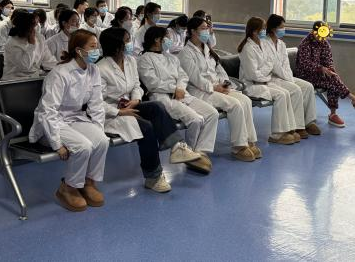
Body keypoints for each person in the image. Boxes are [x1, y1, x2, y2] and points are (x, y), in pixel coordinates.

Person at [97, 28, 200, 192]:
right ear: (116, 45)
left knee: (156, 106)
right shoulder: (101, 69)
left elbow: (136, 86)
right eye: (126, 40)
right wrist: (120, 112)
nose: (130, 43)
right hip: (111, 113)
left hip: (130, 104)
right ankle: (153, 177)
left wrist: (136, 100)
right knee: (146, 127)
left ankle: (176, 147)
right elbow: (97, 102)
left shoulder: (130, 61)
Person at [28, 30, 108, 212]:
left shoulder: (93, 70)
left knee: (102, 141)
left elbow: (96, 104)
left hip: (75, 117)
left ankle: (88, 182)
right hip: (52, 123)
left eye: (97, 46)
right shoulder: (60, 73)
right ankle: (69, 187)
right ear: (79, 50)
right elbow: (48, 110)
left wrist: (98, 130)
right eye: (93, 47)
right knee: (83, 146)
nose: (97, 51)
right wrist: (56, 143)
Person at [137, 26, 217, 174]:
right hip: (162, 97)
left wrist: (179, 88)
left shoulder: (171, 57)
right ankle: (190, 155)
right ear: (157, 39)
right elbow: (152, 83)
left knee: (212, 113)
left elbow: (183, 76)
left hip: (181, 93)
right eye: (167, 37)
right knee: (196, 120)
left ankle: (200, 151)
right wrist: (174, 89)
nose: (169, 40)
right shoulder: (144, 59)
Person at [180, 17, 260, 162]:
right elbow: (195, 77)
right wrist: (214, 87)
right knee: (235, 105)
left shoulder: (207, 49)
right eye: (203, 28)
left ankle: (249, 140)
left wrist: (224, 83)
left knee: (246, 101)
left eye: (207, 28)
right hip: (201, 91)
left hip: (217, 88)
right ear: (193, 31)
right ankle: (239, 146)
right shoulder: (186, 53)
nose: (207, 31)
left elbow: (219, 70)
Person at [296, 21, 355, 128]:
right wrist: (321, 69)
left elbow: (328, 60)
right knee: (333, 81)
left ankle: (335, 113)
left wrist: (330, 69)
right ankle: (351, 101)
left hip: (319, 75)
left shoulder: (324, 43)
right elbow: (304, 64)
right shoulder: (305, 44)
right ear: (314, 31)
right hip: (305, 75)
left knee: (333, 78)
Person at [238, 17, 297, 145]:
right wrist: (266, 74)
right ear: (254, 31)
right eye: (263, 29)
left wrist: (264, 73)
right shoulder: (247, 48)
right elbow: (253, 74)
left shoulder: (262, 44)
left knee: (285, 93)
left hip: (263, 82)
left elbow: (270, 63)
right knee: (280, 95)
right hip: (252, 85)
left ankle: (289, 129)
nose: (265, 31)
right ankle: (277, 134)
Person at [263, 14, 320, 138]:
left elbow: (286, 65)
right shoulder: (264, 43)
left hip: (285, 76)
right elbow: (274, 66)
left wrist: (289, 77)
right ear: (273, 28)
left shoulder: (282, 44)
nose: (283, 29)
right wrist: (288, 79)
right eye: (281, 27)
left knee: (308, 86)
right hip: (272, 78)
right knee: (295, 89)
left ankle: (309, 122)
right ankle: (298, 126)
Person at [2, 11, 57, 80]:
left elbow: (48, 60)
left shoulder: (39, 38)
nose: (35, 30)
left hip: (34, 78)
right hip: (15, 80)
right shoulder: (12, 43)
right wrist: (31, 44)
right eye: (33, 26)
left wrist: (60, 68)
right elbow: (25, 66)